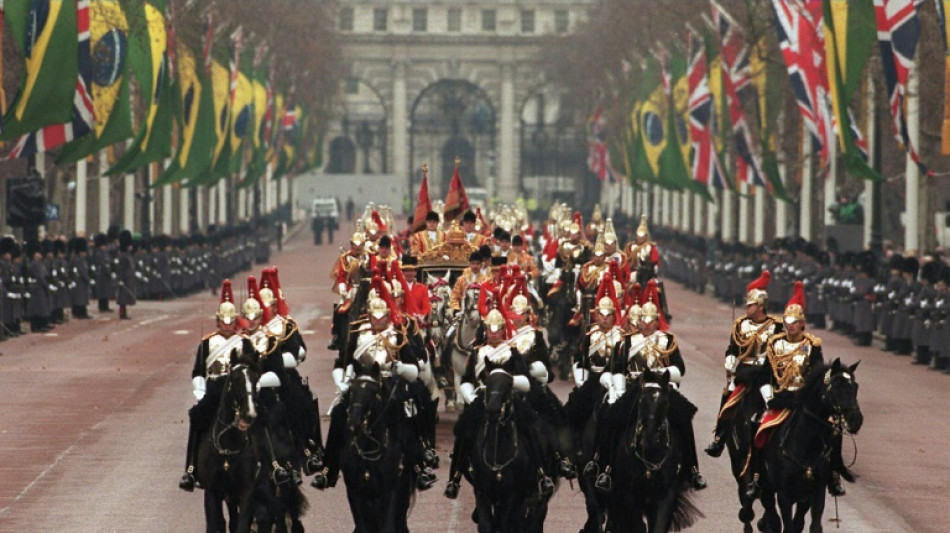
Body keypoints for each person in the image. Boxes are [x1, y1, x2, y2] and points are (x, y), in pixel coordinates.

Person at [316, 277, 436, 491]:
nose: (377, 320)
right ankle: (328, 469)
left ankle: (419, 467)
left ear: (388, 315)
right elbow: (343, 361)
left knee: (409, 414)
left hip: (390, 383)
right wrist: (342, 383)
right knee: (339, 414)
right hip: (362, 382)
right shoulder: (357, 332)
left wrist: (398, 367)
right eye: (373, 316)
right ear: (368, 314)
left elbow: (413, 369)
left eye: (381, 317)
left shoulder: (398, 333)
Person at [444, 308, 556, 499]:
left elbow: (526, 381)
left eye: (497, 330)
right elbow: (466, 380)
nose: (493, 333)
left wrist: (511, 383)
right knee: (464, 430)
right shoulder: (477, 352)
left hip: (510, 398)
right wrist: (470, 398)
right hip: (483, 398)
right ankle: (454, 478)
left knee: (529, 428)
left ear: (504, 330)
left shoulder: (512, 352)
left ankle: (541, 473)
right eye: (490, 329)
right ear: (485, 330)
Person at [746, 281, 834, 498]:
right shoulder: (775, 343)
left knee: (831, 431)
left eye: (795, 322)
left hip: (803, 402)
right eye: (787, 321)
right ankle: (756, 478)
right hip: (779, 400)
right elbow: (765, 374)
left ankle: (833, 477)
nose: (791, 325)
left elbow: (817, 376)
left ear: (802, 323)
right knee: (757, 430)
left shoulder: (812, 345)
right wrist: (769, 398)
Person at [179, 280, 258, 491]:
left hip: (237, 389)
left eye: (231, 320)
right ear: (218, 321)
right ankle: (191, 469)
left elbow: (252, 369)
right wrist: (199, 389)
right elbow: (198, 371)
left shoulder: (245, 343)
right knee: (197, 418)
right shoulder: (206, 343)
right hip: (215, 389)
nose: (227, 324)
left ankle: (266, 463)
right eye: (224, 321)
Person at [705, 270, 782, 457]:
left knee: (775, 400)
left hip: (766, 372)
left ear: (761, 306)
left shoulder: (776, 326)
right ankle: (720, 439)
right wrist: (730, 359)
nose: (747, 308)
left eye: (751, 305)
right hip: (745, 372)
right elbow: (733, 348)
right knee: (728, 400)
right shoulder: (741, 325)